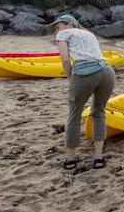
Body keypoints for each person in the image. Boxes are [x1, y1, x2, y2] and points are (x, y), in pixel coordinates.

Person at [50, 14, 116, 170]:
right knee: (99, 112)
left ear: (70, 25)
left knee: (74, 114)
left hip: (85, 72)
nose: (56, 31)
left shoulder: (64, 34)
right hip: (107, 71)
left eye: (58, 27)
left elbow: (65, 60)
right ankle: (99, 159)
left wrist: (70, 77)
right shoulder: (90, 34)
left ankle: (71, 160)